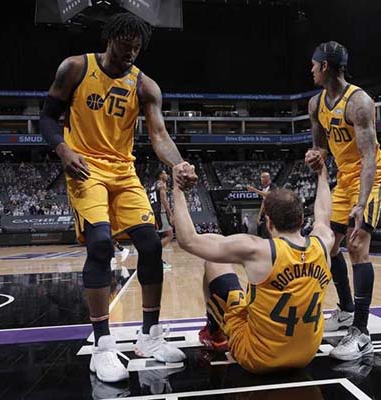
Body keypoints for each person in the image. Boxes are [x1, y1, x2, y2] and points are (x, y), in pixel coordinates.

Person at [39, 13, 197, 383]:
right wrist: (63, 149)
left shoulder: (145, 86)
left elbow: (159, 136)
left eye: (137, 49)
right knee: (99, 245)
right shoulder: (76, 68)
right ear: (110, 40)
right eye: (126, 47)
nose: (130, 55)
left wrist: (178, 163)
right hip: (85, 168)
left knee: (151, 245)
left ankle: (149, 336)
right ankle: (103, 344)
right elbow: (47, 118)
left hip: (123, 171)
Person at [172, 160, 335, 372]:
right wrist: (322, 173)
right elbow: (323, 214)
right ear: (302, 218)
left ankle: (214, 333)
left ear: (269, 222)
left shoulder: (258, 250)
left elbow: (188, 241)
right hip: (306, 355)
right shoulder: (323, 242)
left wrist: (178, 189)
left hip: (258, 358)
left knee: (214, 261)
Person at [306, 41, 381, 360]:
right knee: (327, 245)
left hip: (371, 177)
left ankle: (361, 332)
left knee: (356, 245)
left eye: (314, 65)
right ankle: (345, 310)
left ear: (325, 66)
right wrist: (315, 157)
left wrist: (361, 203)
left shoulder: (359, 102)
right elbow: (320, 148)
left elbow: (369, 158)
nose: (311, 70)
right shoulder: (315, 104)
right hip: (343, 179)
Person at [148, 168, 174, 268]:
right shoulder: (162, 184)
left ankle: (156, 260)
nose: (166, 175)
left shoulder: (153, 185)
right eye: (164, 173)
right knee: (169, 235)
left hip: (154, 212)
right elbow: (164, 200)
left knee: (158, 237)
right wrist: (170, 214)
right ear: (160, 175)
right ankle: (154, 257)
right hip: (160, 212)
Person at [247, 171, 278, 238]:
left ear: (267, 178)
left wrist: (254, 190)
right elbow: (264, 202)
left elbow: (268, 195)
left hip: (273, 212)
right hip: (266, 212)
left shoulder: (273, 186)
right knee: (264, 233)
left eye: (262, 177)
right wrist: (259, 215)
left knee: (272, 232)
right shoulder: (264, 188)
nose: (261, 179)